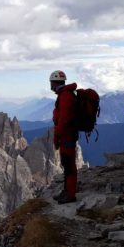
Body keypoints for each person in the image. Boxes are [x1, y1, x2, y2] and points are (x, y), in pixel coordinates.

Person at [50, 70, 78, 204]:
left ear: (55, 82)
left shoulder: (65, 96)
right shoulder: (65, 94)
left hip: (67, 136)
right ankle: (67, 191)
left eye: (51, 83)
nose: (50, 85)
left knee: (69, 166)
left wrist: (57, 136)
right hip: (67, 135)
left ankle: (70, 195)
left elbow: (64, 119)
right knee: (67, 165)